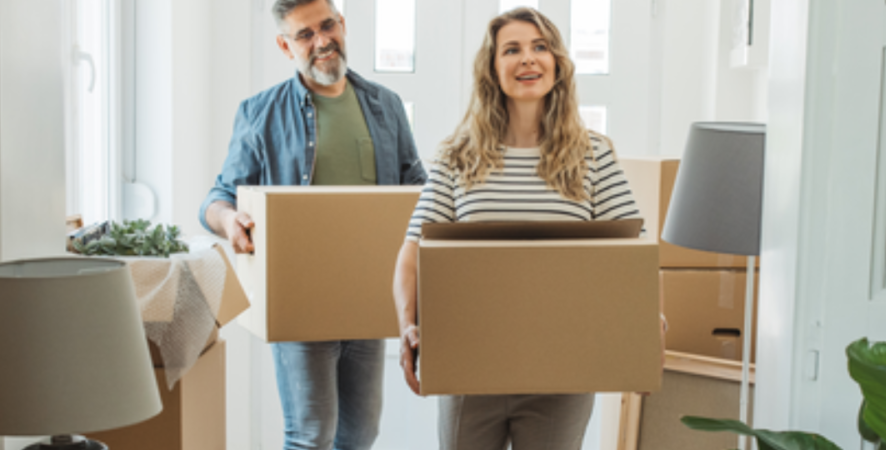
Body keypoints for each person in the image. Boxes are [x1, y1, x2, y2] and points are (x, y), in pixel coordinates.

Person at [393, 7, 658, 450]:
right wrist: (406, 325)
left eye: (540, 47)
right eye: (511, 50)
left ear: (557, 63)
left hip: (563, 370)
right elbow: (412, 253)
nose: (528, 59)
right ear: (492, 69)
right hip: (469, 363)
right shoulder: (457, 155)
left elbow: (631, 257)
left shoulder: (594, 154)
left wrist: (645, 330)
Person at [199, 0, 426, 448]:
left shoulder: (386, 106)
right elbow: (218, 197)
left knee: (361, 433)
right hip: (300, 300)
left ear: (343, 25)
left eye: (327, 26)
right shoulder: (260, 112)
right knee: (310, 435)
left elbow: (417, 187)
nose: (322, 41)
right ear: (285, 46)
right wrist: (229, 220)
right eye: (305, 35)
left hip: (369, 296)